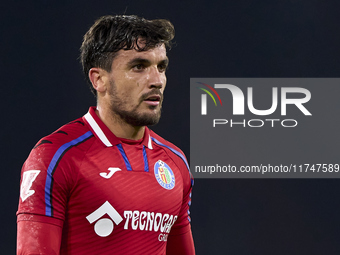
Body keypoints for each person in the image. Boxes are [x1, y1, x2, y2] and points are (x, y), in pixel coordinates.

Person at [17, 15, 195, 255]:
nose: (156, 81)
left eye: (161, 67)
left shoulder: (176, 163)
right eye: (139, 66)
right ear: (99, 79)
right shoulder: (55, 157)